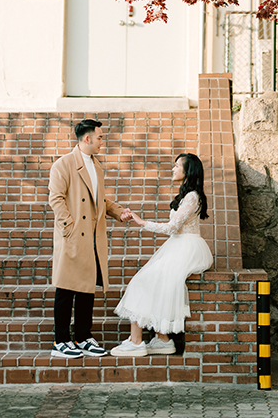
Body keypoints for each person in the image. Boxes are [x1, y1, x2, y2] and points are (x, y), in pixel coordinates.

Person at [110, 153, 214, 357]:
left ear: (188, 171)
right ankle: (163, 340)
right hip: (179, 246)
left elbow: (173, 228)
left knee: (142, 281)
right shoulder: (188, 195)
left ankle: (137, 341)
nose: (173, 169)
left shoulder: (192, 196)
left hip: (186, 247)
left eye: (177, 166)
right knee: (153, 282)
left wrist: (142, 223)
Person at [47, 118, 131, 358]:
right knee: (66, 288)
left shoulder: (96, 166)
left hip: (93, 235)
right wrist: (69, 228)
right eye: (100, 137)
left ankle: (82, 336)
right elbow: (56, 198)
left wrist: (118, 212)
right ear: (88, 138)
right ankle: (60, 340)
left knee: (86, 288)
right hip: (74, 235)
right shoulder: (63, 165)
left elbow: (100, 201)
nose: (103, 141)